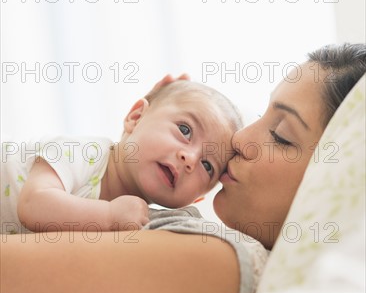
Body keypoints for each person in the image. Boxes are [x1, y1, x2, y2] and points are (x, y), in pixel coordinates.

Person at [1, 43, 365, 293]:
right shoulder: (90, 158)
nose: (239, 140)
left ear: (334, 175)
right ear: (135, 115)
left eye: (280, 136)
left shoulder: (221, 259)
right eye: (260, 117)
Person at [1, 81, 241, 234]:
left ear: (198, 198)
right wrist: (108, 216)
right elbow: (33, 205)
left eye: (207, 165)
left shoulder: (135, 222)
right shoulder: (87, 153)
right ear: (136, 117)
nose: (189, 158)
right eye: (185, 130)